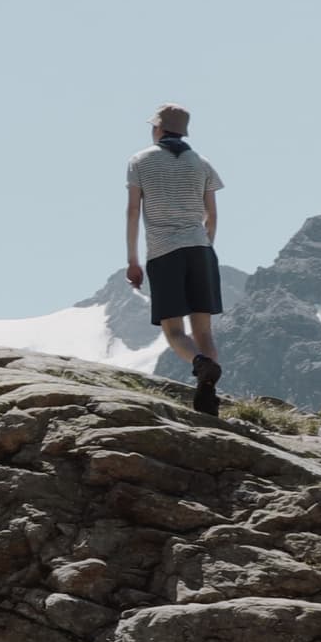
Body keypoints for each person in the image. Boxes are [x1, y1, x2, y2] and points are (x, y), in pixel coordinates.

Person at [125, 106, 226, 413]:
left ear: (158, 129)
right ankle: (207, 391)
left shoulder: (140, 161)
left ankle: (199, 363)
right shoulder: (202, 164)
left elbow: (132, 211)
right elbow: (212, 215)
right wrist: (205, 247)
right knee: (204, 331)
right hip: (200, 250)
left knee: (174, 332)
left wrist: (133, 260)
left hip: (163, 253)